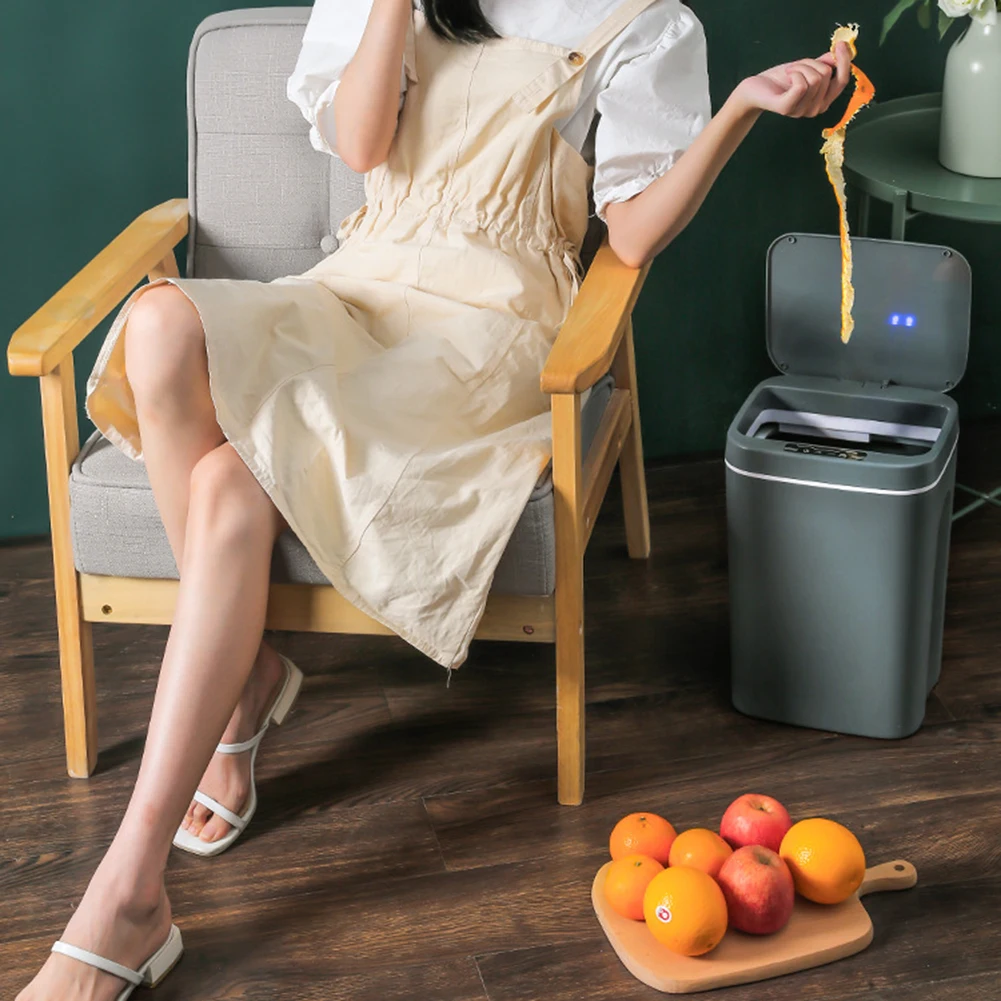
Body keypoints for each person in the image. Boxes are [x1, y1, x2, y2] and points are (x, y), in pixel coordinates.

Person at [17, 1, 851, 997]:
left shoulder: (644, 20)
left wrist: (738, 109)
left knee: (231, 477)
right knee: (159, 325)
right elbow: (362, 146)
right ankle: (242, 678)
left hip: (485, 325)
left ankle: (128, 887)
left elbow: (627, 238)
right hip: (359, 282)